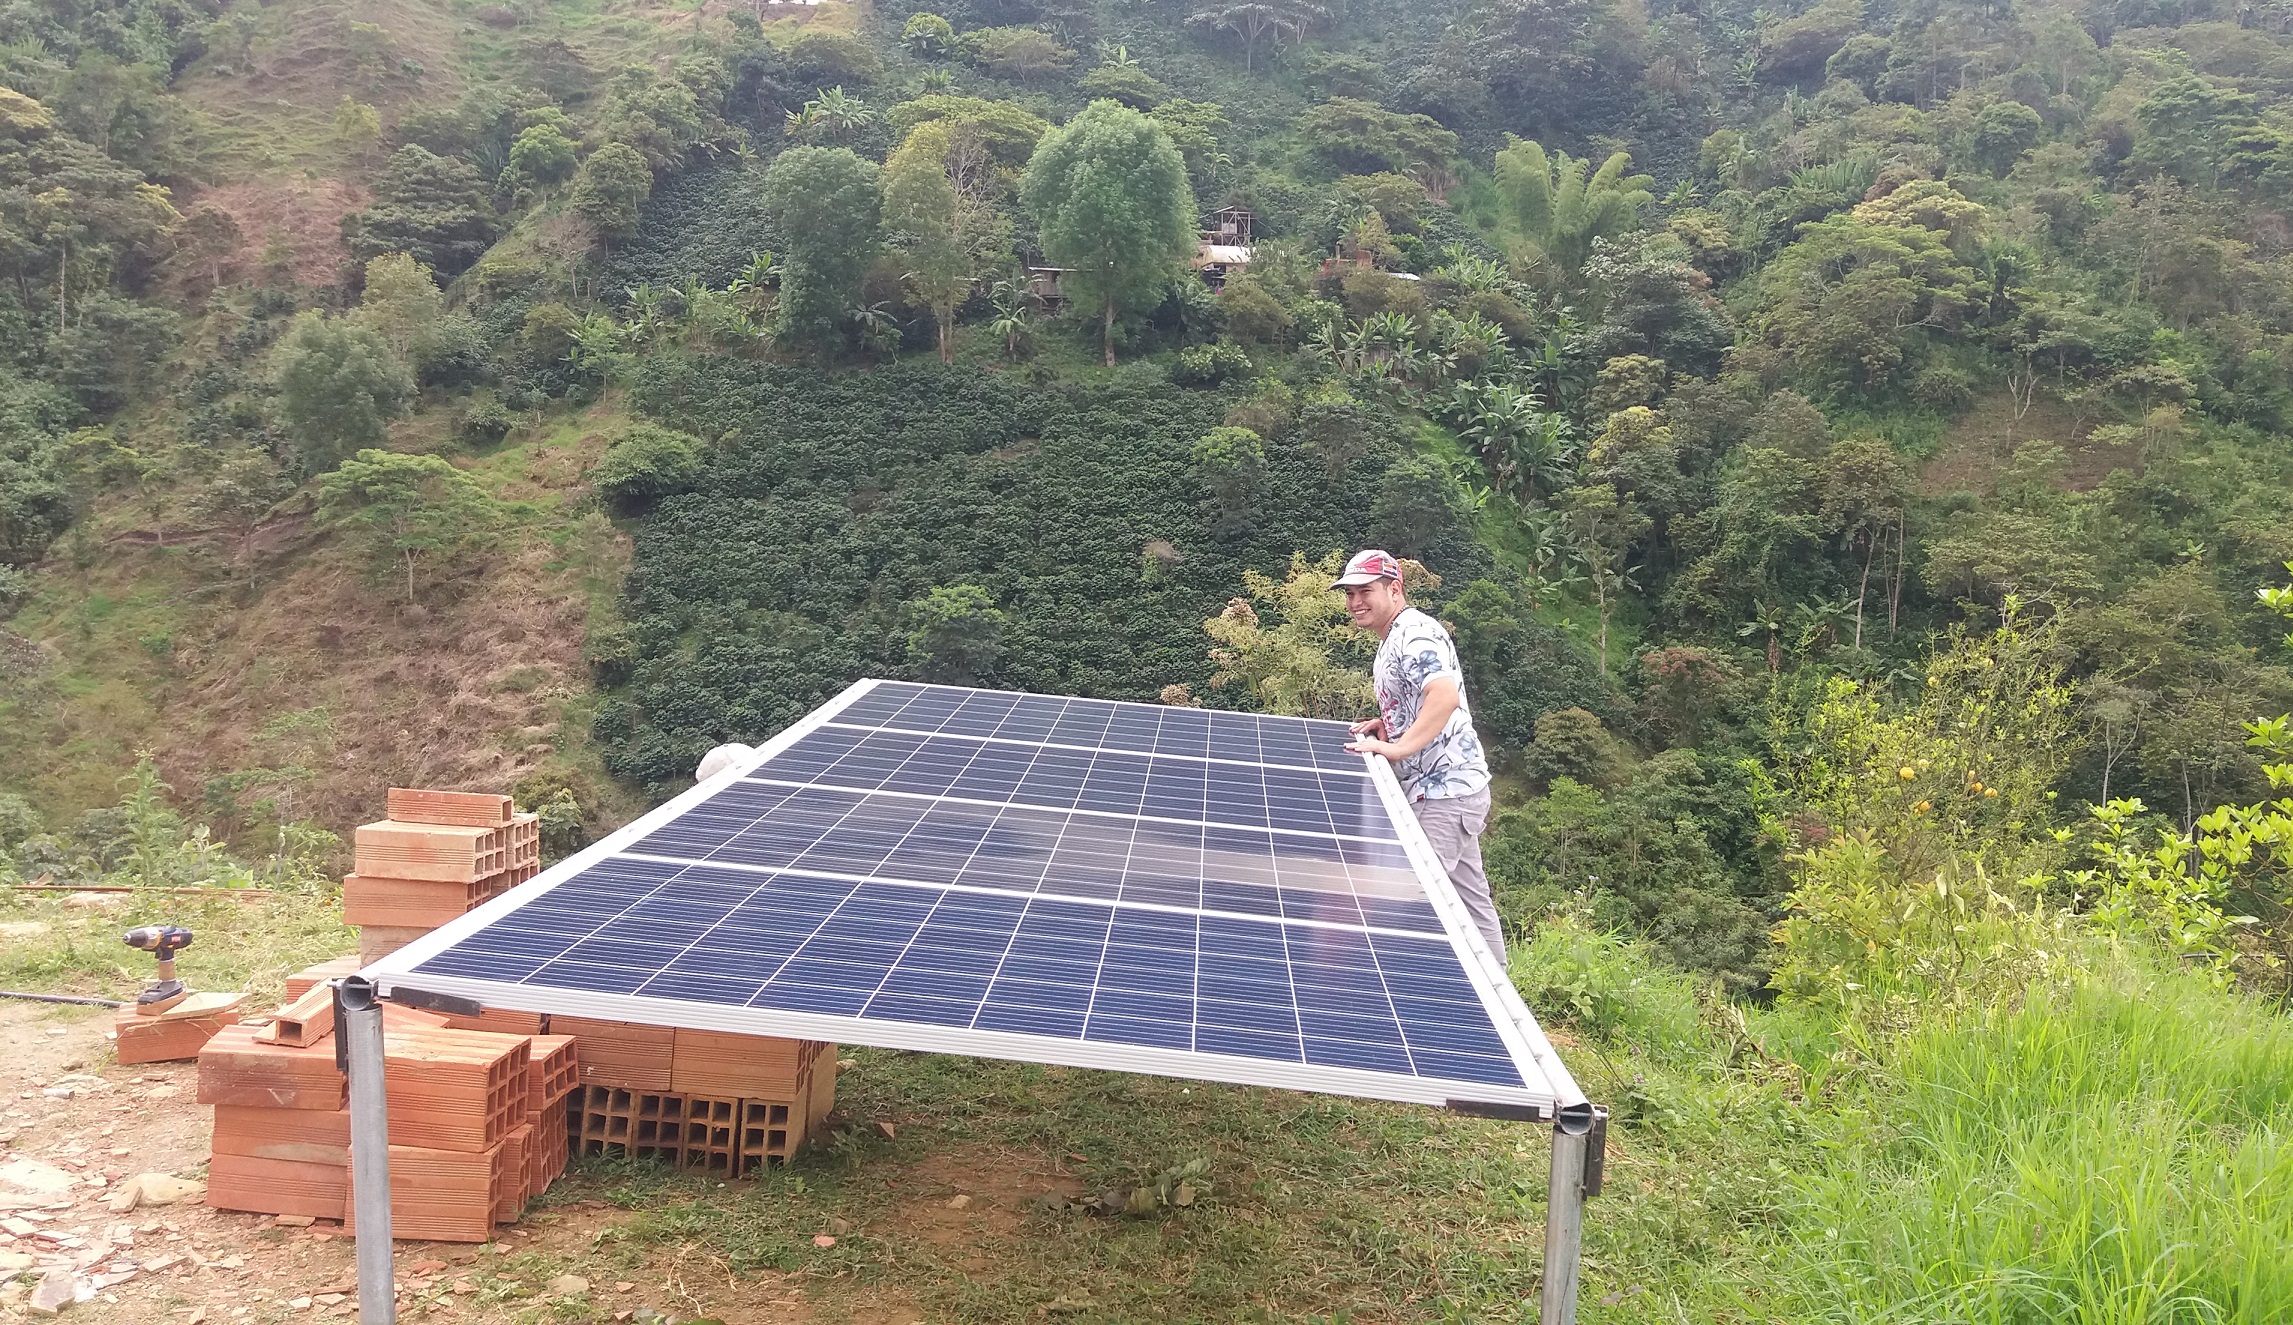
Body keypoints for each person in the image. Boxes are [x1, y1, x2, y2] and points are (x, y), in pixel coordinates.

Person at [1332, 549, 1504, 961]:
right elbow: (1419, 701)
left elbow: (1442, 697)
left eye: (1365, 591)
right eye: (1349, 593)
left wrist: (1396, 748)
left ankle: (1415, 1003)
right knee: (1468, 898)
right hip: (1452, 788)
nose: (1356, 602)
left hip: (1445, 790)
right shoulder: (1396, 636)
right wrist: (1388, 725)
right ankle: (1501, 993)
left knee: (1409, 901)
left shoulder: (1414, 633)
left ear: (1395, 589)